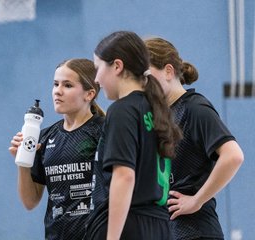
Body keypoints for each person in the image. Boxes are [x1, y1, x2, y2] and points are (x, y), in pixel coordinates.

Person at [85, 31, 182, 240]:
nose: (96, 79)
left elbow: (124, 176)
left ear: (117, 66)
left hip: (129, 225)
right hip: (159, 226)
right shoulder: (155, 109)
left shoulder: (122, 110)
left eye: (98, 68)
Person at [145, 37, 244, 240]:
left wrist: (197, 200)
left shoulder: (195, 108)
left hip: (196, 232)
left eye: (146, 76)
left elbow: (233, 156)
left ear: (168, 71)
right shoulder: (159, 115)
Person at [9, 58, 105, 240]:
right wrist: (22, 161)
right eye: (55, 84)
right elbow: (30, 202)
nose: (57, 91)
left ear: (89, 94)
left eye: (67, 85)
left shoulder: (105, 131)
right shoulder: (44, 137)